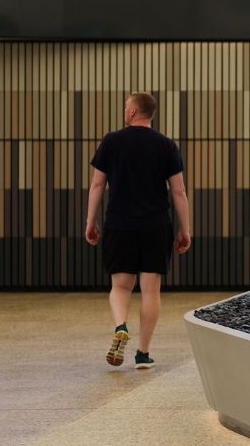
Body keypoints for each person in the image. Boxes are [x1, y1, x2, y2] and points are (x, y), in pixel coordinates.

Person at [84, 92, 191, 370]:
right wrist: (185, 230)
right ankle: (143, 354)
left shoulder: (112, 141)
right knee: (150, 290)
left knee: (120, 286)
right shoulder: (166, 145)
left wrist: (90, 221)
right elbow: (178, 191)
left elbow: (97, 186)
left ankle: (121, 325)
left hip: (120, 223)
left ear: (132, 112)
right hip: (156, 225)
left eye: (125, 108)